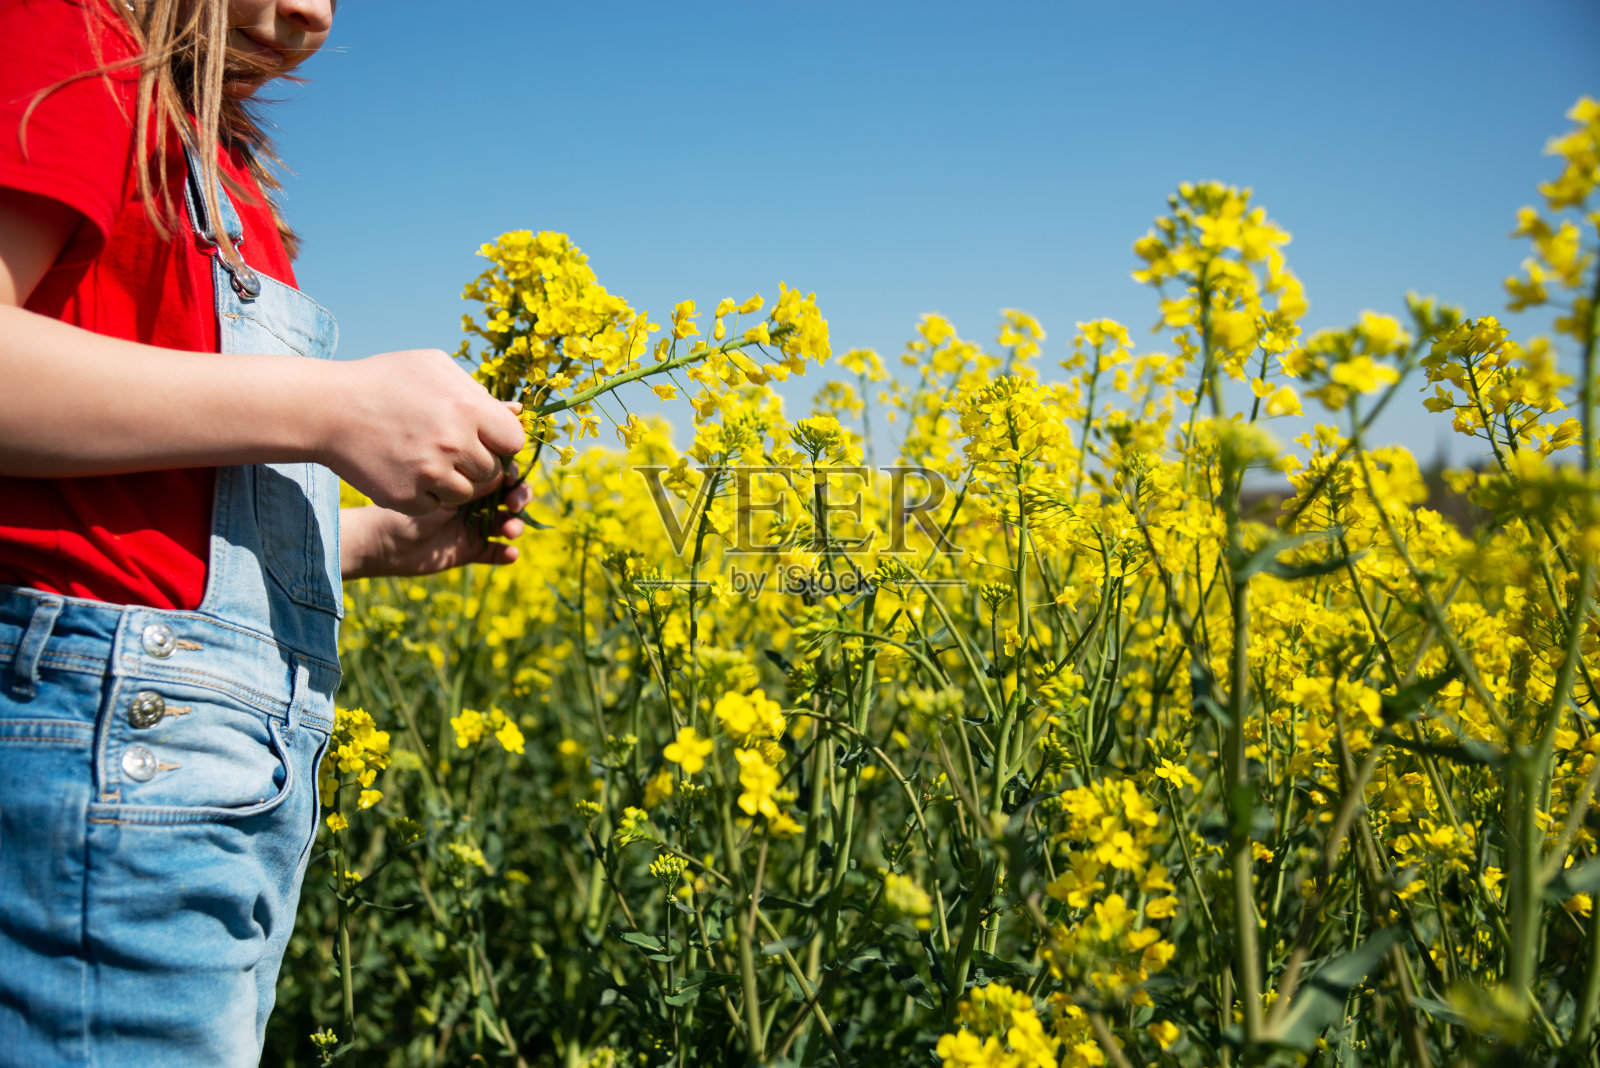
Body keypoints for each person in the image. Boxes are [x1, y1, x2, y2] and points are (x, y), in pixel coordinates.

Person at [0, 0, 529, 1062]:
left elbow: (146, 513)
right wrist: (329, 409)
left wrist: (365, 541)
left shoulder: (218, 163)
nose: (314, 13)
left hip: (209, 770)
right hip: (113, 740)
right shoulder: (66, 31)